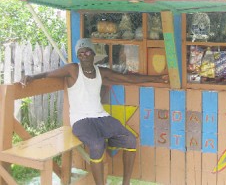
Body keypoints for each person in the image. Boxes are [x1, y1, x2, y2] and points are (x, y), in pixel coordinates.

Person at [20, 38, 168, 185]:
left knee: (130, 139)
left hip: (101, 116)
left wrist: (158, 78)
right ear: (78, 56)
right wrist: (31, 77)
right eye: (81, 53)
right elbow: (48, 74)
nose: (84, 55)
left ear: (93, 54)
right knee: (97, 144)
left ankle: (126, 182)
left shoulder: (101, 72)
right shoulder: (73, 69)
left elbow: (128, 78)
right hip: (80, 120)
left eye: (88, 52)